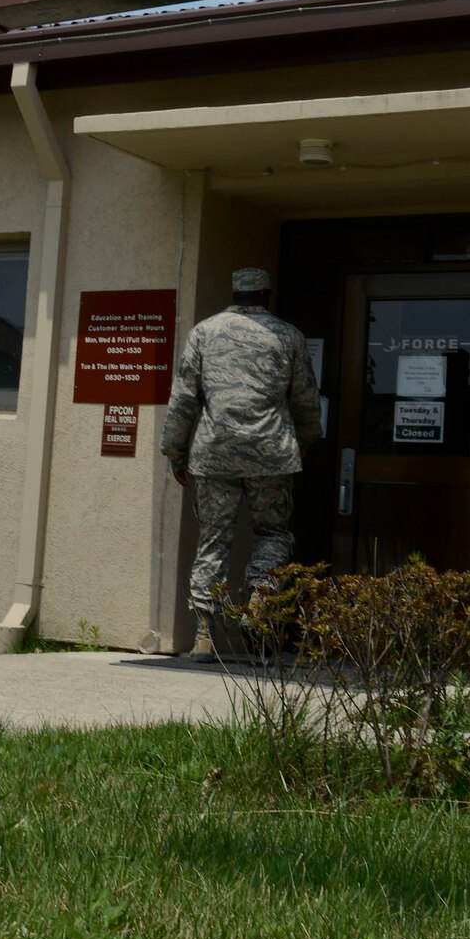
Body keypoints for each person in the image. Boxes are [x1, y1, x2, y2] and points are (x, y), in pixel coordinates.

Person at [161, 265, 322, 660]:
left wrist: (176, 452)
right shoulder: (288, 335)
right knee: (273, 534)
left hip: (215, 454)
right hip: (271, 453)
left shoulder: (204, 332)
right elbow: (304, 397)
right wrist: (305, 441)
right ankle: (259, 599)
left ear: (236, 294)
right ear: (266, 295)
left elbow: (183, 398)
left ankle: (204, 635)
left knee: (213, 540)